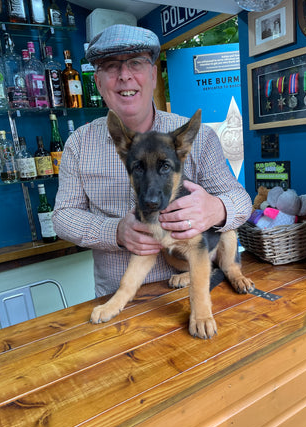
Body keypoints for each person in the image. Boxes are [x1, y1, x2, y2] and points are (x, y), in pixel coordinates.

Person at [52, 24, 252, 298]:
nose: (124, 76)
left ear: (153, 75)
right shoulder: (79, 144)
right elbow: (62, 217)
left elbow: (241, 200)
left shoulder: (199, 136)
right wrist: (116, 232)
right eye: (111, 66)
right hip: (121, 300)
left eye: (136, 63)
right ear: (98, 82)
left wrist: (216, 208)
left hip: (196, 294)